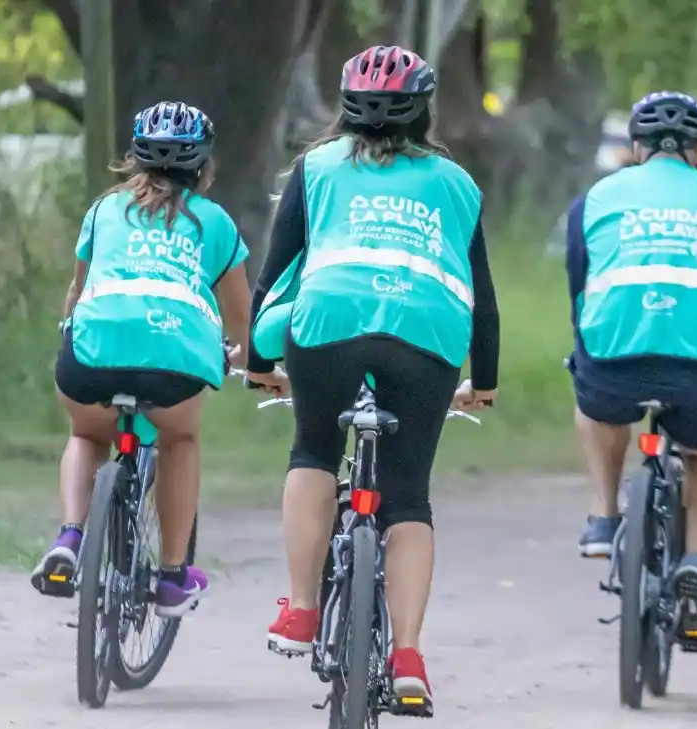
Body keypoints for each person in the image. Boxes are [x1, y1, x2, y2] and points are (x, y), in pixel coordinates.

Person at [245, 45, 499, 709]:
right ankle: (408, 655)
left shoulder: (317, 166)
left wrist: (257, 362)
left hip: (327, 326)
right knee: (407, 497)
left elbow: (274, 273)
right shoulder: (454, 183)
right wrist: (487, 379)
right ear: (424, 111)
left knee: (315, 452)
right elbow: (482, 294)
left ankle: (302, 609)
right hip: (429, 338)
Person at [565, 90, 697, 649]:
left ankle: (603, 517)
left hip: (613, 358)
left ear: (636, 147)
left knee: (593, 402)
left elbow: (580, 282)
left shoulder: (595, 198)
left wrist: (585, 338)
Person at [31, 101, 252, 616]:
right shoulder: (215, 223)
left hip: (92, 353)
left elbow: (77, 292)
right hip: (173, 361)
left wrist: (71, 332)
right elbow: (243, 319)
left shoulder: (104, 210)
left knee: (87, 433)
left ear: (134, 159)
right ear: (202, 165)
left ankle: (69, 536)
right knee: (180, 438)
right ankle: (173, 575)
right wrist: (248, 365)